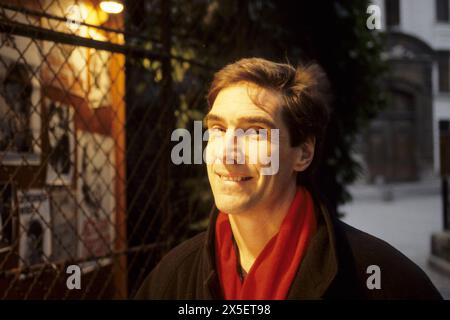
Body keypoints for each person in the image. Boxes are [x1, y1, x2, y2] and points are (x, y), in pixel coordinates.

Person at [135, 58, 442, 299]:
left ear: (303, 154)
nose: (227, 154)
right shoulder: (171, 278)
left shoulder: (383, 279)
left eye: (255, 132)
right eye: (217, 130)